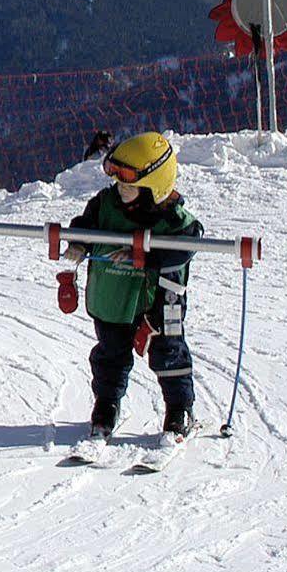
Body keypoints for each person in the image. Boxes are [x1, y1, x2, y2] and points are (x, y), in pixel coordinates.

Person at [57, 131, 202, 442]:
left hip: (159, 300)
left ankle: (180, 407)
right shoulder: (105, 204)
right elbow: (85, 222)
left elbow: (188, 243)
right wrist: (80, 242)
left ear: (154, 185)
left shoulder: (174, 218)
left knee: (168, 352)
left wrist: (144, 255)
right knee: (110, 353)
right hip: (115, 295)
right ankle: (106, 405)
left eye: (129, 184)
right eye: (117, 180)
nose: (120, 188)